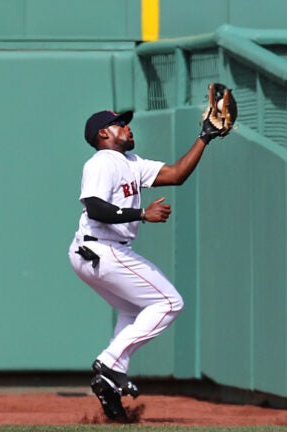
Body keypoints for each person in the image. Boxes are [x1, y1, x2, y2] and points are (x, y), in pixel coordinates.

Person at [68, 109, 225, 421]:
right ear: (103, 134)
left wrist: (204, 137)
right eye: (119, 124)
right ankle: (110, 364)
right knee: (169, 302)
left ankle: (109, 386)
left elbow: (176, 175)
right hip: (100, 248)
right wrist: (142, 214)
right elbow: (96, 207)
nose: (128, 128)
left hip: (98, 252)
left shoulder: (132, 163)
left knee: (134, 309)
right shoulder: (101, 162)